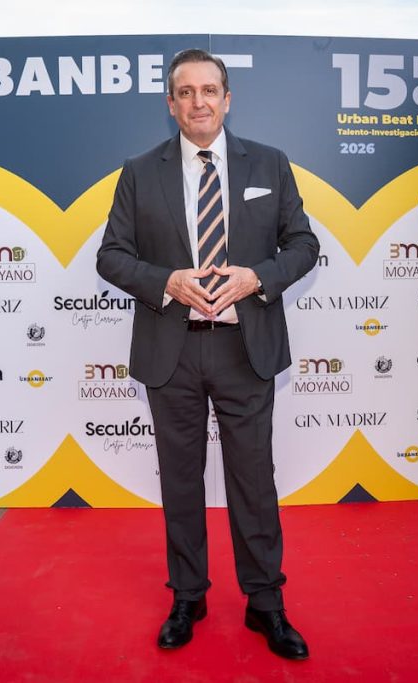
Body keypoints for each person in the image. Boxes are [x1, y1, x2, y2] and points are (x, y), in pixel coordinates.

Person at [96, 48, 319, 660]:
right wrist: (166, 281)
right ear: (170, 104)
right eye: (186, 92)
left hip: (245, 349)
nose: (199, 102)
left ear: (227, 99)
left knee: (254, 481)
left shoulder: (269, 163)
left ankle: (266, 602)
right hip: (171, 351)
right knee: (180, 481)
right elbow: (111, 256)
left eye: (209, 90)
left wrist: (258, 277)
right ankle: (187, 596)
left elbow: (304, 244)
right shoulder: (139, 172)